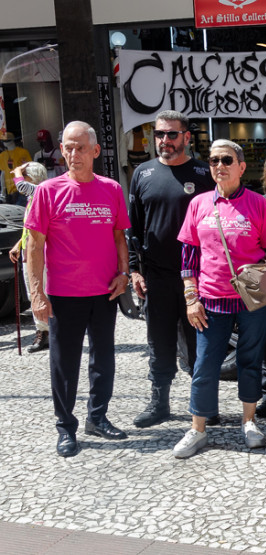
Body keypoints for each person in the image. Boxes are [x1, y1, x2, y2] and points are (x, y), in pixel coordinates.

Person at [173, 139, 266, 458]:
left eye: (226, 160)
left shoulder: (258, 204)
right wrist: (190, 296)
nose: (219, 166)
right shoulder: (198, 204)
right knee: (204, 364)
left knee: (250, 361)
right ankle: (197, 429)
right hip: (210, 299)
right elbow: (188, 252)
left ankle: (249, 422)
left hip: (254, 299)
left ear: (240, 166)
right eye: (213, 161)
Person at [24, 121, 131, 457]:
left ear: (95, 151)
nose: (73, 154)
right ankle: (66, 427)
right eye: (67, 147)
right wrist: (37, 294)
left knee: (104, 360)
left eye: (80, 147)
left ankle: (97, 417)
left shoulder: (111, 189)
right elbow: (34, 246)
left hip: (104, 292)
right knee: (64, 363)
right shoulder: (48, 191)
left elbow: (118, 237)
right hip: (64, 295)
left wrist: (124, 273)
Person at [129, 110, 216, 429]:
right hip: (158, 277)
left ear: (187, 137)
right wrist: (135, 270)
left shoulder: (204, 174)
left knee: (200, 344)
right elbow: (134, 227)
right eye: (159, 134)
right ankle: (159, 402)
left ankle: (204, 404)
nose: (164, 140)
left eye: (171, 134)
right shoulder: (143, 173)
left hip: (198, 276)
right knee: (160, 343)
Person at [10, 162, 49, 353]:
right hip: (28, 252)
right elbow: (29, 228)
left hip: (41, 255)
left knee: (42, 291)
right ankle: (42, 331)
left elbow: (21, 186)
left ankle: (47, 331)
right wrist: (19, 244)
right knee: (32, 291)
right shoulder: (33, 197)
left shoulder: (41, 190)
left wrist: (17, 171)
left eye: (25, 175)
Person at [0, 132, 32, 205]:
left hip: (22, 189)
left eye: (4, 141)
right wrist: (3, 192)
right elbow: (3, 174)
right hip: (10, 192)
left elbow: (30, 170)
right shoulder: (2, 156)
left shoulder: (23, 152)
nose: (3, 143)